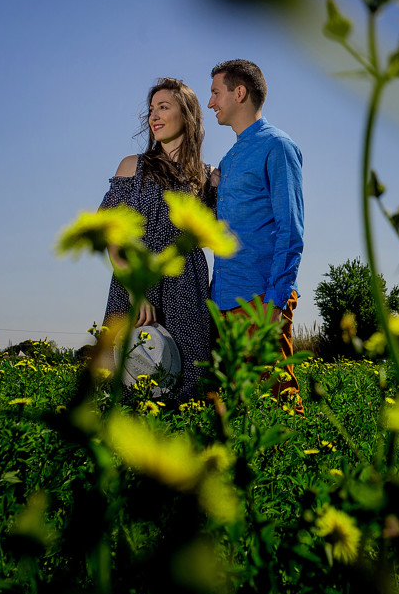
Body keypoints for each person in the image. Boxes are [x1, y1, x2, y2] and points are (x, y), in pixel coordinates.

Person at [99, 77, 216, 405]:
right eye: (151, 110)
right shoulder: (131, 168)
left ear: (188, 115)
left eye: (163, 107)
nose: (154, 116)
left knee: (188, 386)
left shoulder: (209, 177)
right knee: (128, 382)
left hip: (187, 287)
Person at [207, 59, 305, 413]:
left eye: (216, 93)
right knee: (240, 417)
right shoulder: (228, 160)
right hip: (224, 304)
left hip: (260, 302)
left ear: (240, 92)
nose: (210, 103)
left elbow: (291, 229)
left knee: (279, 408)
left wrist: (275, 301)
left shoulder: (277, 147)